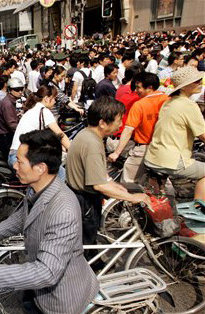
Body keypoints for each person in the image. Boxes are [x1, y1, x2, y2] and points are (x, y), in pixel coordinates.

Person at [0, 129, 99, 314]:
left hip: (61, 299)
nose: (14, 166)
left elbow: (47, 272)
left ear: (40, 168)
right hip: (40, 291)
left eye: (19, 161)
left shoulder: (63, 209)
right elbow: (22, 217)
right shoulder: (37, 187)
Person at [66, 96, 151, 253]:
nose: (120, 124)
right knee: (84, 247)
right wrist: (133, 198)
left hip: (81, 198)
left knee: (88, 243)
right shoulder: (92, 144)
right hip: (85, 202)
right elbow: (99, 185)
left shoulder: (87, 135)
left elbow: (100, 176)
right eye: (118, 120)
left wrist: (119, 188)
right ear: (103, 123)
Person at [145, 66, 205, 201]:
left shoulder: (169, 102)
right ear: (184, 87)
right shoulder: (188, 105)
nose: (200, 83)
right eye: (196, 81)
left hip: (154, 155)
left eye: (200, 80)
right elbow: (203, 135)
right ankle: (198, 212)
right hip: (172, 159)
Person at [108, 72, 168, 183]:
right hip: (162, 148)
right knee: (162, 182)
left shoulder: (140, 104)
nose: (136, 91)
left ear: (149, 87)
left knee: (128, 181)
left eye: (138, 88)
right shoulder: (167, 100)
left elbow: (128, 130)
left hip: (143, 149)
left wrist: (116, 153)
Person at [9, 85, 70, 169]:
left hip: (16, 155)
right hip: (20, 157)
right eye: (54, 98)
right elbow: (60, 134)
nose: (55, 102)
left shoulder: (34, 109)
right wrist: (73, 150)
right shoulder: (44, 111)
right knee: (60, 172)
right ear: (46, 98)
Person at [0, 78, 24, 158]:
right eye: (17, 90)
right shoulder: (8, 104)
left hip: (6, 136)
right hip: (5, 138)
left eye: (21, 89)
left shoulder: (10, 101)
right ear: (10, 90)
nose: (20, 92)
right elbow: (12, 125)